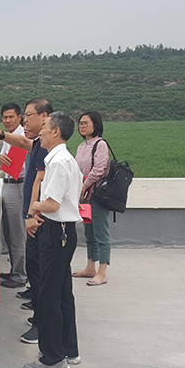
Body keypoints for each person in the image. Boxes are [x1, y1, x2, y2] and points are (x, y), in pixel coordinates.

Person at [0, 98, 53, 345]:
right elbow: (15, 152)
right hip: (19, 192)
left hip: (42, 214)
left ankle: (44, 324)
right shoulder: (33, 143)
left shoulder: (44, 148)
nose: (23, 121)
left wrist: (33, 211)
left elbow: (42, 183)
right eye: (6, 117)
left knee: (37, 257)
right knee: (22, 244)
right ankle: (32, 297)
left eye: (26, 116)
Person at [24, 112, 83, 368]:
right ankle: (69, 349)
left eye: (45, 127)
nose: (41, 131)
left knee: (48, 295)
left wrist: (35, 207)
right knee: (62, 293)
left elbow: (52, 204)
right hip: (64, 232)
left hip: (56, 233)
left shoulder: (58, 162)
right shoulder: (65, 159)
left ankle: (53, 359)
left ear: (56, 131)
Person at [0, 103, 28, 288]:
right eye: (5, 117)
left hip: (19, 185)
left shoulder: (22, 136)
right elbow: (1, 163)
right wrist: (0, 160)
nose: (7, 120)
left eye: (11, 117)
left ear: (19, 117)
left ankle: (20, 275)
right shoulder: (8, 137)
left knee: (18, 232)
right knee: (10, 231)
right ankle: (15, 270)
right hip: (9, 184)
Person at [72, 111, 111, 286]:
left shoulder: (100, 144)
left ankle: (102, 272)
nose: (81, 126)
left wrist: (85, 185)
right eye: (80, 123)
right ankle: (90, 267)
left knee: (101, 233)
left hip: (96, 195)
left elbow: (100, 169)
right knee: (89, 233)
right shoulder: (82, 146)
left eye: (85, 123)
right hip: (84, 196)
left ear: (95, 125)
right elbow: (76, 169)